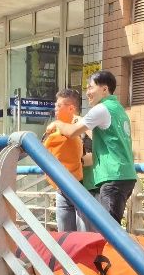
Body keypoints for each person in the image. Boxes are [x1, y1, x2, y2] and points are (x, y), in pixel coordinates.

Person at [48, 70, 137, 227]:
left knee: (109, 231)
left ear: (104, 89)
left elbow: (72, 131)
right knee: (110, 228)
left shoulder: (101, 109)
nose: (87, 92)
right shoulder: (118, 109)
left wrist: (57, 124)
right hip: (124, 175)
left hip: (112, 176)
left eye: (90, 87)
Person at [43, 88, 86, 232]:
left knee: (84, 236)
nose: (55, 108)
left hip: (83, 188)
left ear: (71, 108)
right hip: (62, 187)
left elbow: (94, 155)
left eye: (59, 105)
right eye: (55, 105)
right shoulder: (53, 130)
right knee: (65, 235)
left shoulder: (84, 127)